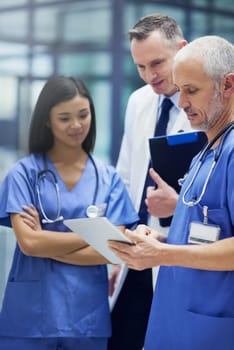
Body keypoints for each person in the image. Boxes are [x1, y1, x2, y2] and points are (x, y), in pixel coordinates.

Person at [108, 35, 234, 350]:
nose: (181, 103)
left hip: (210, 329)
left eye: (191, 91)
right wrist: (162, 241)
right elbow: (208, 233)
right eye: (180, 91)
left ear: (228, 85)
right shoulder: (205, 152)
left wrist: (165, 254)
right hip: (176, 321)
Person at [0, 76, 138, 350]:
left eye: (83, 115)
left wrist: (45, 242)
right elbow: (29, 243)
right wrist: (94, 232)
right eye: (64, 118)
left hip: (86, 320)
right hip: (30, 318)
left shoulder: (108, 178)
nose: (76, 125)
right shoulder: (23, 175)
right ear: (47, 121)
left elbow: (114, 251)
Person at [108, 13, 192, 350]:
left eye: (156, 63)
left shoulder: (207, 108)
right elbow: (125, 176)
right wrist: (115, 253)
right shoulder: (138, 101)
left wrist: (178, 205)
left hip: (174, 250)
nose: (149, 76)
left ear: (182, 50)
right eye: (140, 67)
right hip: (135, 252)